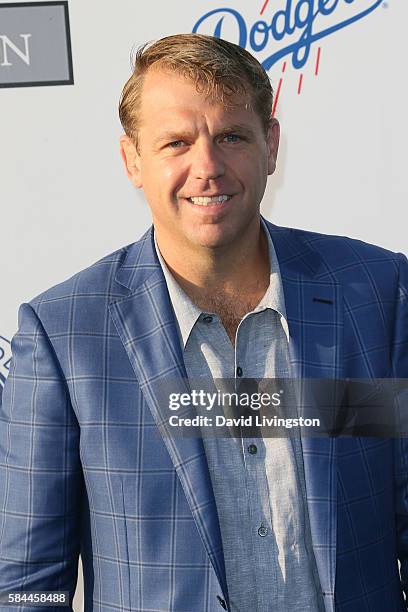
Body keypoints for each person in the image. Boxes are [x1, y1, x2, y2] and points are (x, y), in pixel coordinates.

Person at [0, 33, 407, 612]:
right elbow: (26, 586)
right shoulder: (64, 336)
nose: (207, 168)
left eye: (232, 137)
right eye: (175, 143)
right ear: (132, 161)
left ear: (271, 146)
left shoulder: (375, 295)